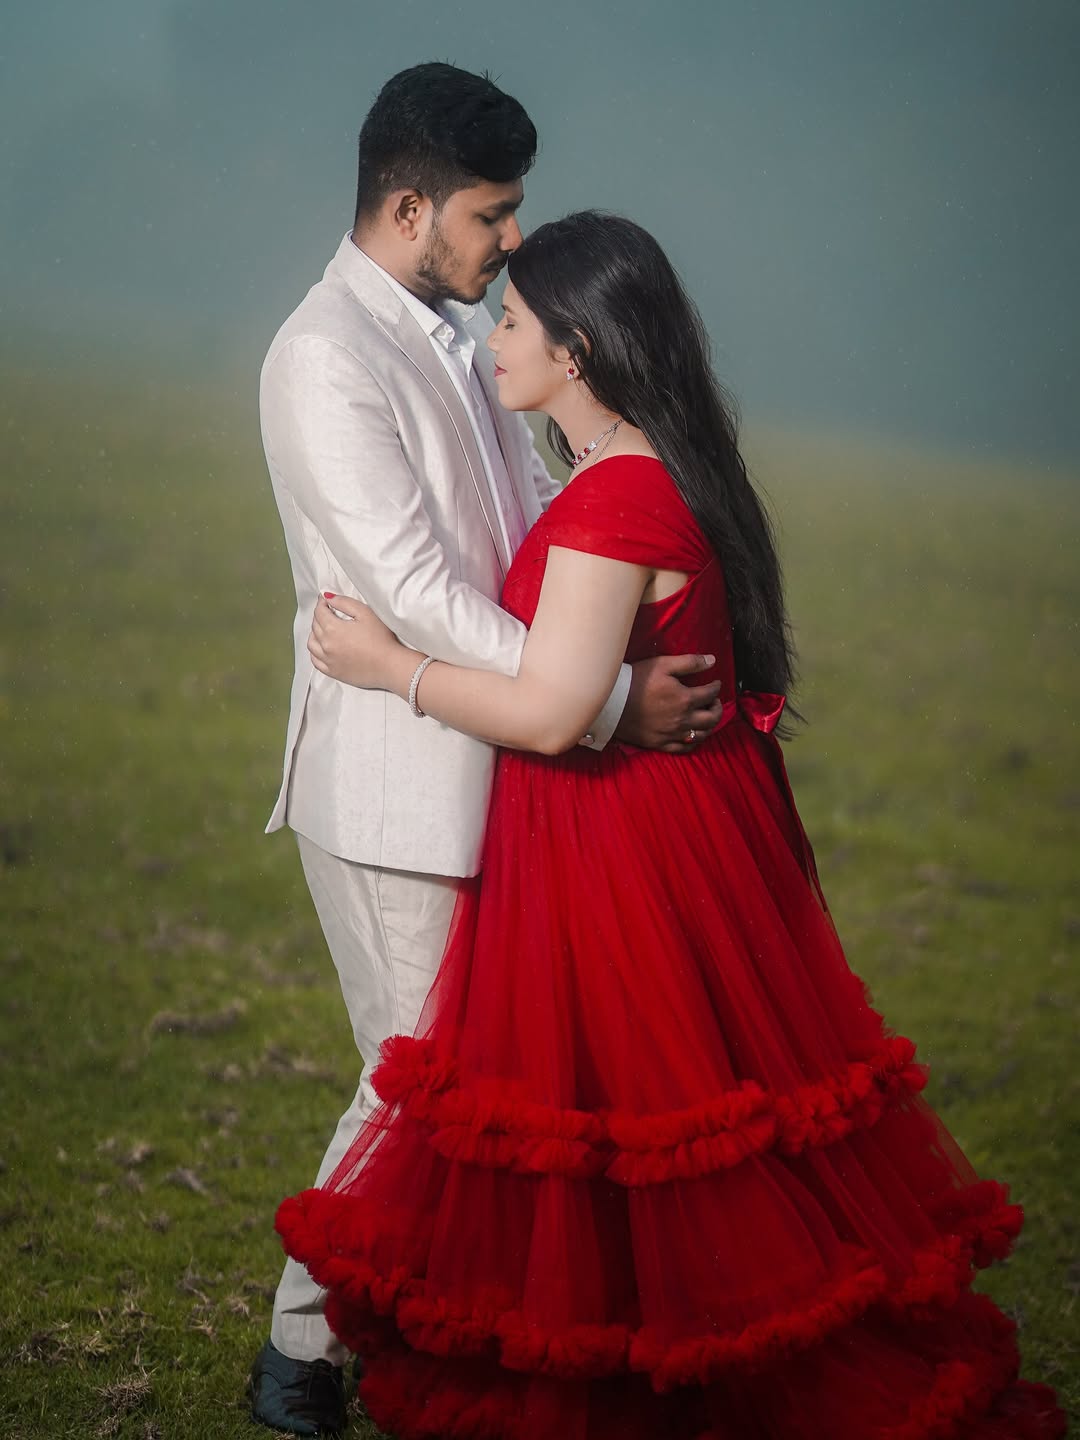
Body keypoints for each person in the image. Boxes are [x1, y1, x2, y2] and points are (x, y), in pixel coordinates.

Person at [276, 212, 1065, 1439]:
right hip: (649, 830)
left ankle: (582, 1365)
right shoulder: (636, 467)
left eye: (520, 325)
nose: (497, 338)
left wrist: (391, 668)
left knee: (639, 1122)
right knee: (637, 1128)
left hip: (619, 846)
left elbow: (546, 712)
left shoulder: (617, 500)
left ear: (579, 350)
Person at [253, 68, 723, 1436]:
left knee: (476, 1080)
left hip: (505, 762)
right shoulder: (320, 354)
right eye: (492, 214)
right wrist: (598, 695)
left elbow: (526, 536)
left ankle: (427, 1345)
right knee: (418, 1078)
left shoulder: (457, 333)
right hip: (396, 774)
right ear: (410, 207)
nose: (513, 241)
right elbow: (405, 581)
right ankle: (296, 1358)